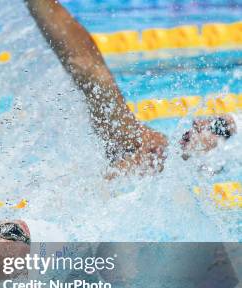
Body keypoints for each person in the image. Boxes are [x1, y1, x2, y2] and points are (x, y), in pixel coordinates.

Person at [24, 0, 238, 174]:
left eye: (218, 126)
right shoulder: (137, 142)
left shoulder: (139, 148)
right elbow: (88, 68)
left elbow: (90, 69)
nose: (199, 120)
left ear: (221, 154)